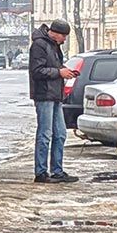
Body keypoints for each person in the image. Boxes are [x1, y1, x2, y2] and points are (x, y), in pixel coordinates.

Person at [29, 19, 78, 184]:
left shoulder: (53, 45)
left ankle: (57, 171)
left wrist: (65, 71)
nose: (64, 40)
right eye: (63, 36)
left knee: (61, 134)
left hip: (55, 95)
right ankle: (41, 172)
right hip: (44, 95)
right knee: (45, 134)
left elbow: (52, 67)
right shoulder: (39, 45)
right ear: (55, 33)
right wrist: (59, 72)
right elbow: (37, 71)